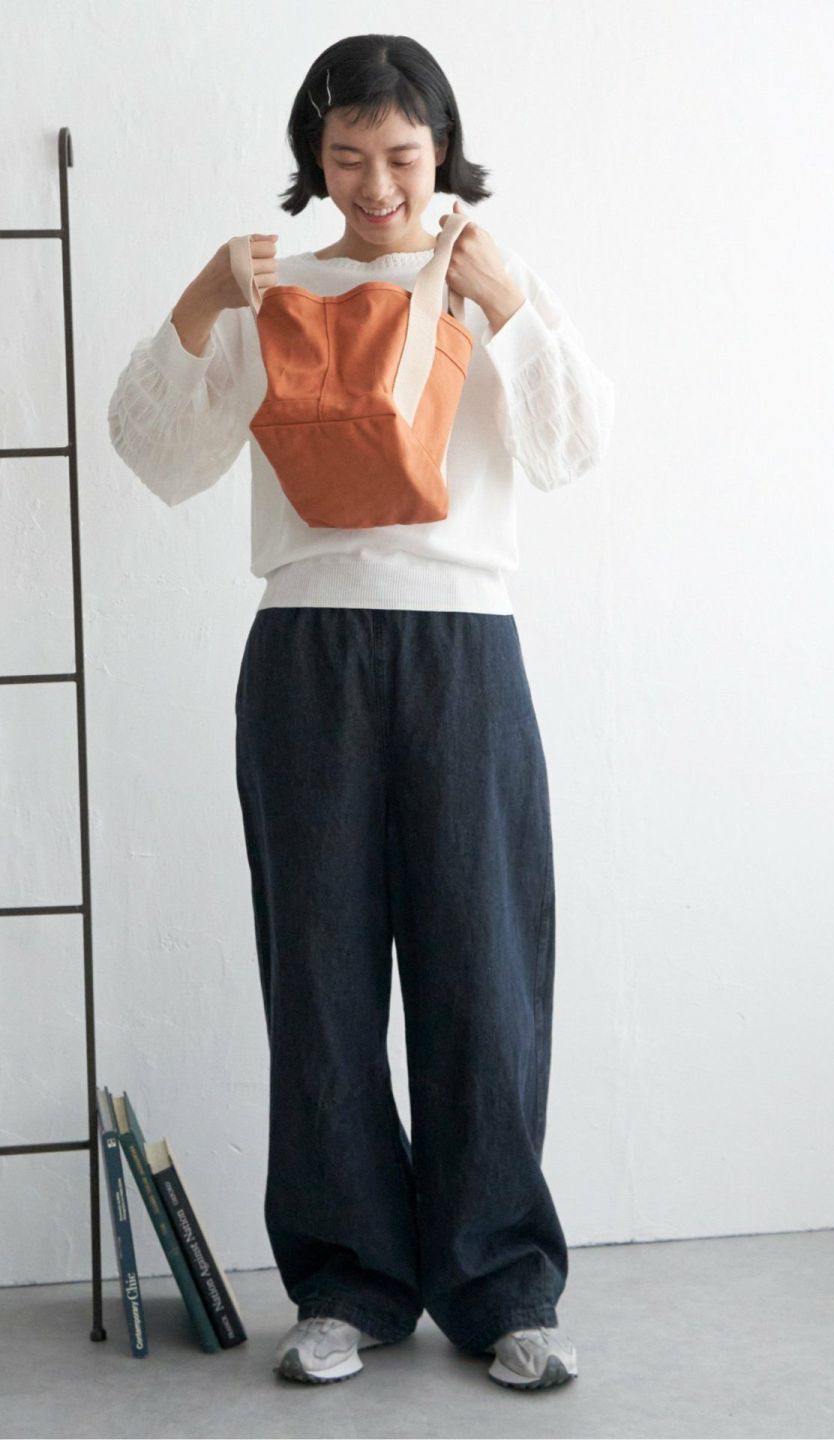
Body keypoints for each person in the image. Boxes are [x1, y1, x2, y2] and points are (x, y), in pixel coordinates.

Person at [107, 33, 615, 1392]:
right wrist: (198, 303)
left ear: (442, 149)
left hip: (465, 647)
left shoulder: (487, 279)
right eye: (345, 157)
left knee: (484, 975)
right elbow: (159, 455)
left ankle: (503, 1287)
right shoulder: (278, 290)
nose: (377, 185)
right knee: (319, 978)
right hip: (307, 647)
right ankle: (346, 1285)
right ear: (312, 159)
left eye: (401, 154)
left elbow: (575, 447)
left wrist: (513, 306)